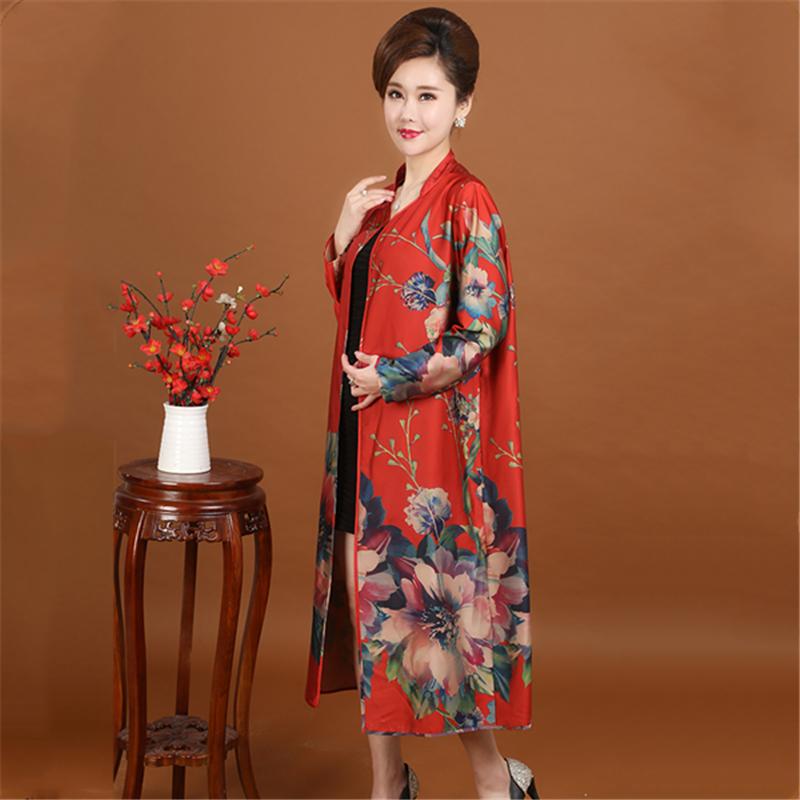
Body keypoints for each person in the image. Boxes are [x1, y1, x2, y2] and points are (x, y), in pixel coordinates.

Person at [304, 7, 539, 799]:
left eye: (428, 96)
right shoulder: (378, 201)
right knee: (368, 613)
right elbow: (363, 306)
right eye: (397, 93)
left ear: (463, 105)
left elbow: (480, 332)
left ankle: (495, 780)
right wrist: (341, 239)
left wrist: (394, 378)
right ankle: (389, 785)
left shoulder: (467, 201)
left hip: (423, 447)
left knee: (430, 622)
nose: (408, 112)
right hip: (358, 432)